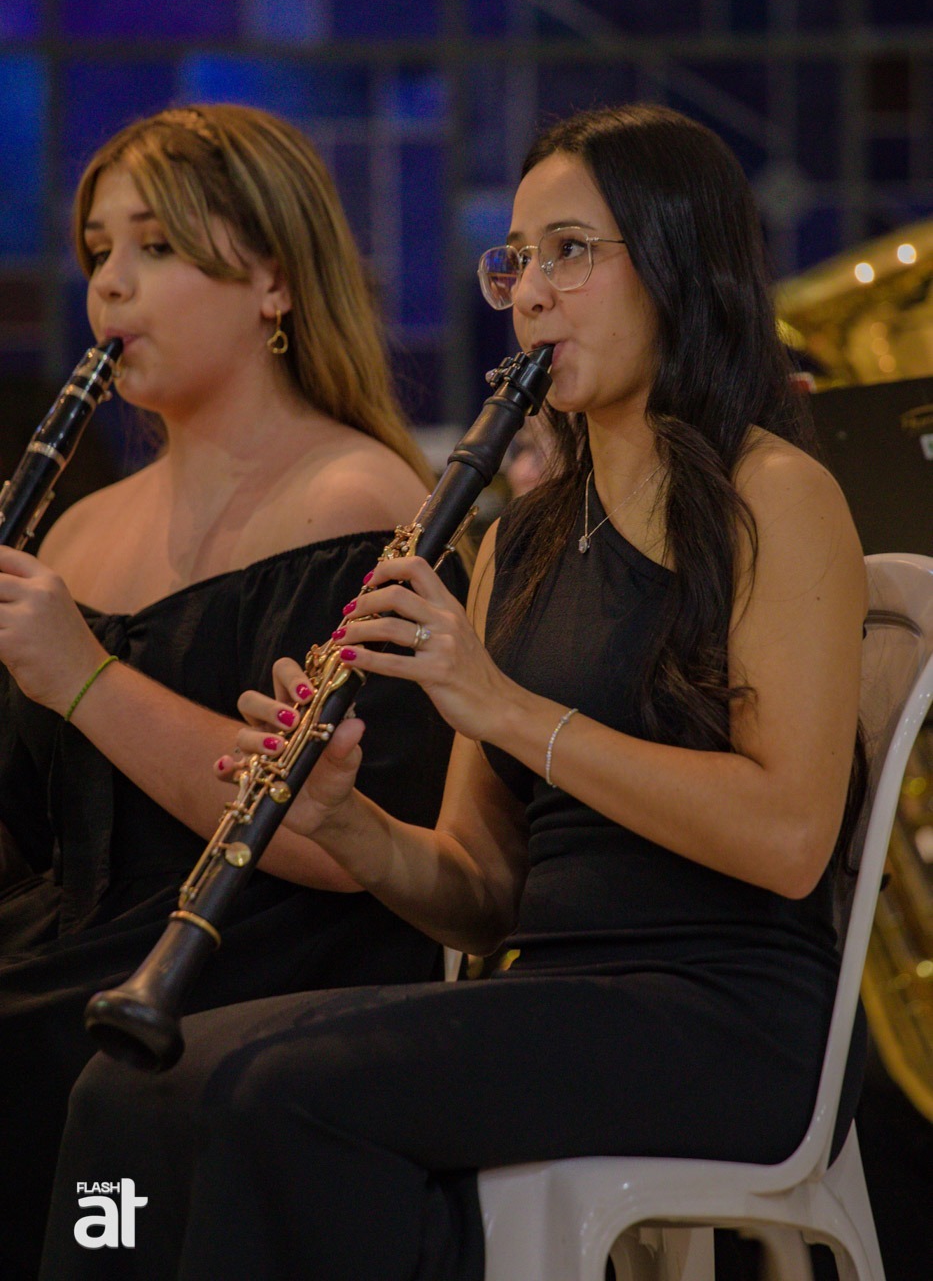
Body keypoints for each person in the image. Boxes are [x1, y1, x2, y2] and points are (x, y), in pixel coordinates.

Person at [42, 103, 868, 1281]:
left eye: (570, 252)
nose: (528, 293)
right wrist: (348, 822)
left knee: (282, 1096)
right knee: (124, 1091)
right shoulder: (519, 539)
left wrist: (507, 707)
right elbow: (480, 891)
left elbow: (789, 838)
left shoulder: (774, 494)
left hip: (728, 1015)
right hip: (552, 995)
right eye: (515, 259)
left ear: (678, 262)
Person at [0, 103, 466, 1279]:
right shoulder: (81, 528)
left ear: (272, 279)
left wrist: (84, 675)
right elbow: (38, 832)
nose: (110, 284)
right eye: (98, 250)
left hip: (261, 956)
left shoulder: (357, 501)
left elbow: (341, 843)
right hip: (83, 930)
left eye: (155, 245)